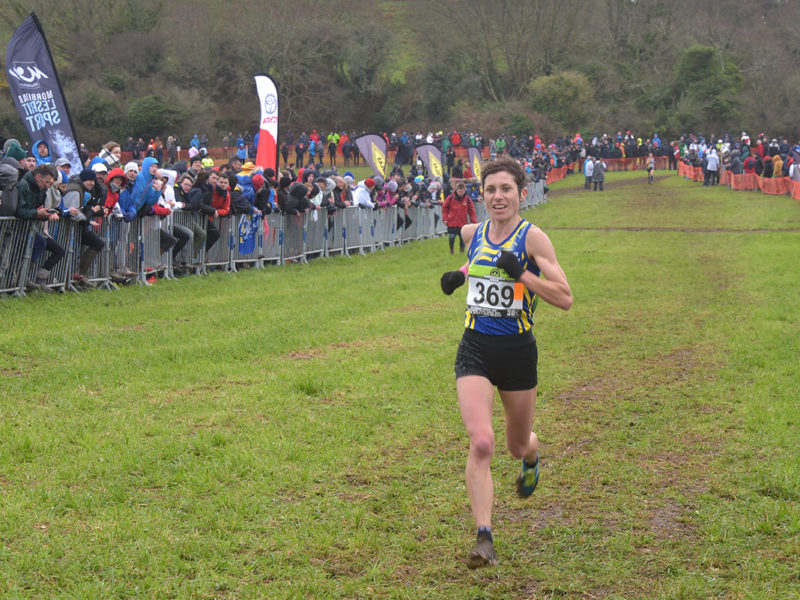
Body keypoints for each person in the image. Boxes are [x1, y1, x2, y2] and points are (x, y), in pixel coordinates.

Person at [439, 156, 572, 569]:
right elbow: (481, 262)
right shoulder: (472, 232)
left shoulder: (534, 239)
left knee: (516, 445)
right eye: (491, 189)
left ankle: (532, 454)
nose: (498, 196)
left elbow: (565, 297)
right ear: (483, 195)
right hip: (475, 347)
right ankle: (484, 537)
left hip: (517, 353)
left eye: (506, 189)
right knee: (482, 441)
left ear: (522, 194)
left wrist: (523, 276)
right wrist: (461, 274)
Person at [14, 163, 63, 292]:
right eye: (47, 182)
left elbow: (36, 210)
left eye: (50, 183)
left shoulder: (40, 189)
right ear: (38, 177)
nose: (48, 186)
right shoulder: (23, 186)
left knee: (41, 243)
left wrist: (46, 213)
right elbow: (19, 211)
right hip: (16, 227)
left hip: (27, 226)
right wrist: (37, 213)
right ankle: (17, 279)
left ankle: (23, 278)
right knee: (36, 244)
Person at [442, 182, 477, 254]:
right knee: (451, 237)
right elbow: (444, 207)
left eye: (462, 191)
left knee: (462, 239)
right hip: (452, 222)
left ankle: (461, 252)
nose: (460, 193)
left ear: (464, 191)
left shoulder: (467, 199)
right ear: (456, 190)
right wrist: (445, 218)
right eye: (459, 191)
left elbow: (472, 211)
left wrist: (473, 222)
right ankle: (451, 250)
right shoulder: (450, 198)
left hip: (463, 223)